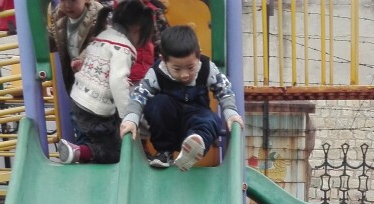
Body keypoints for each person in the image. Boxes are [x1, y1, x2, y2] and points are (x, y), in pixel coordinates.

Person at [120, 25, 243, 171]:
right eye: (177, 69)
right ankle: (164, 152)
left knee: (212, 119)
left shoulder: (207, 68)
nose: (184, 75)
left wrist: (230, 112)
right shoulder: (157, 72)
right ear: (164, 60)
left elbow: (224, 90)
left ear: (199, 55)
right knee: (157, 104)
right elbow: (139, 95)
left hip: (196, 118)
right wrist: (131, 118)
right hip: (169, 125)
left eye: (190, 67)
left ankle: (195, 146)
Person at [57, 0, 156, 165]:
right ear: (137, 30)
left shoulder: (103, 36)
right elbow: (117, 82)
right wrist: (127, 117)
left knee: (95, 138)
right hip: (95, 110)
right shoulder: (123, 48)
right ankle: (80, 152)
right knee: (113, 152)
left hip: (78, 101)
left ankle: (80, 152)